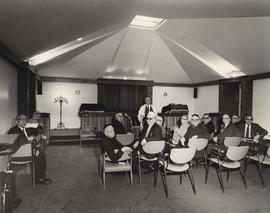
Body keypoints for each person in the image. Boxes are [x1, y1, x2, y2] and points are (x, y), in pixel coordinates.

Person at [8, 113, 52, 185]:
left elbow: (33, 137)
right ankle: (38, 178)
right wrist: (28, 139)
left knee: (41, 153)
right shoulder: (13, 130)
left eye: (25, 119)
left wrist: (39, 139)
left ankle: (42, 176)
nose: (24, 121)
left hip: (29, 150)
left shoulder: (27, 129)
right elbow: (17, 142)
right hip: (19, 154)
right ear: (17, 121)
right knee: (39, 155)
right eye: (21, 119)